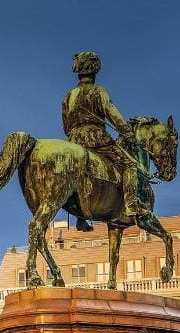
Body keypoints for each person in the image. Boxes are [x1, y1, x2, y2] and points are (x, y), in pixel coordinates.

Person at [61, 50, 148, 230]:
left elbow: (66, 125)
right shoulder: (98, 91)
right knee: (130, 164)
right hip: (96, 138)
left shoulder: (68, 96)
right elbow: (112, 113)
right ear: (94, 71)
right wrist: (127, 133)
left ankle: (80, 217)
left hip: (74, 141)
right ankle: (131, 204)